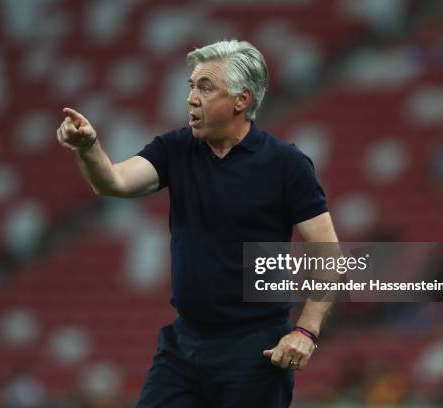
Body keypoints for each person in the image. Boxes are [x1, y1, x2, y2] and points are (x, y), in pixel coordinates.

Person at [56, 39, 338, 407]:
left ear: (242, 100)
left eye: (205, 87)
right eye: (191, 86)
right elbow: (113, 182)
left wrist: (306, 331)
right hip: (183, 344)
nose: (191, 98)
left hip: (255, 348)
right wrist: (88, 147)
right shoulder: (175, 149)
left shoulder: (286, 165)